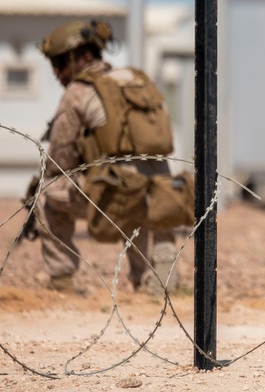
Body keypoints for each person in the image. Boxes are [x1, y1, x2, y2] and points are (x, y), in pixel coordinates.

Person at [35, 19, 178, 295]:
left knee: (45, 195)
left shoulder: (77, 93)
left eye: (61, 62)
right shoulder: (137, 81)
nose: (56, 71)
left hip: (114, 191)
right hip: (161, 188)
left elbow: (59, 161)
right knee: (141, 208)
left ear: (85, 56)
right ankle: (154, 280)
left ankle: (62, 281)